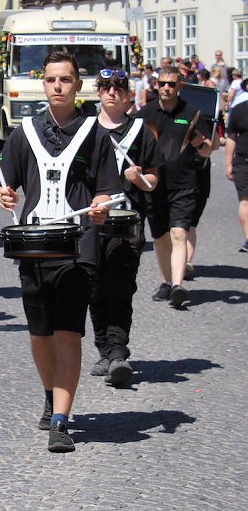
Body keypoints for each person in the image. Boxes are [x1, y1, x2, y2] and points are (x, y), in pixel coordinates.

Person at [0, 51, 121, 452]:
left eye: (65, 80)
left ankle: (61, 420)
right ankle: (51, 393)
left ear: (77, 86)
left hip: (77, 245)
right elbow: (9, 183)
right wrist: (4, 193)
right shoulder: (23, 133)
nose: (58, 87)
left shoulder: (95, 134)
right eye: (51, 80)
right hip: (33, 246)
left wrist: (100, 205)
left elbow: (106, 188)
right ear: (43, 84)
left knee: (68, 332)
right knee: (40, 333)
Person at [88, 68, 161, 388]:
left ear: (128, 94)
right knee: (93, 288)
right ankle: (103, 348)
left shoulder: (141, 131)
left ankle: (118, 352)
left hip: (128, 221)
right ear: (98, 92)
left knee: (120, 286)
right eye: (105, 87)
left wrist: (139, 179)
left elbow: (153, 181)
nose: (112, 92)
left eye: (118, 87)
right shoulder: (86, 130)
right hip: (92, 220)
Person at [138, 66, 213, 308]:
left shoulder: (192, 113)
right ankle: (166, 282)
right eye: (162, 84)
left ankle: (178, 285)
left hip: (185, 184)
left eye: (171, 84)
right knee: (160, 237)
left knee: (179, 233)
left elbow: (209, 149)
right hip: (155, 184)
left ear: (179, 87)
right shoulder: (146, 113)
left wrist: (201, 144)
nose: (166, 88)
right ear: (156, 85)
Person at [225, 93, 248, 252]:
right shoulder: (240, 109)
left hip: (242, 161)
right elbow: (231, 137)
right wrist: (228, 164)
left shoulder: (238, 108)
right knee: (245, 201)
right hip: (243, 161)